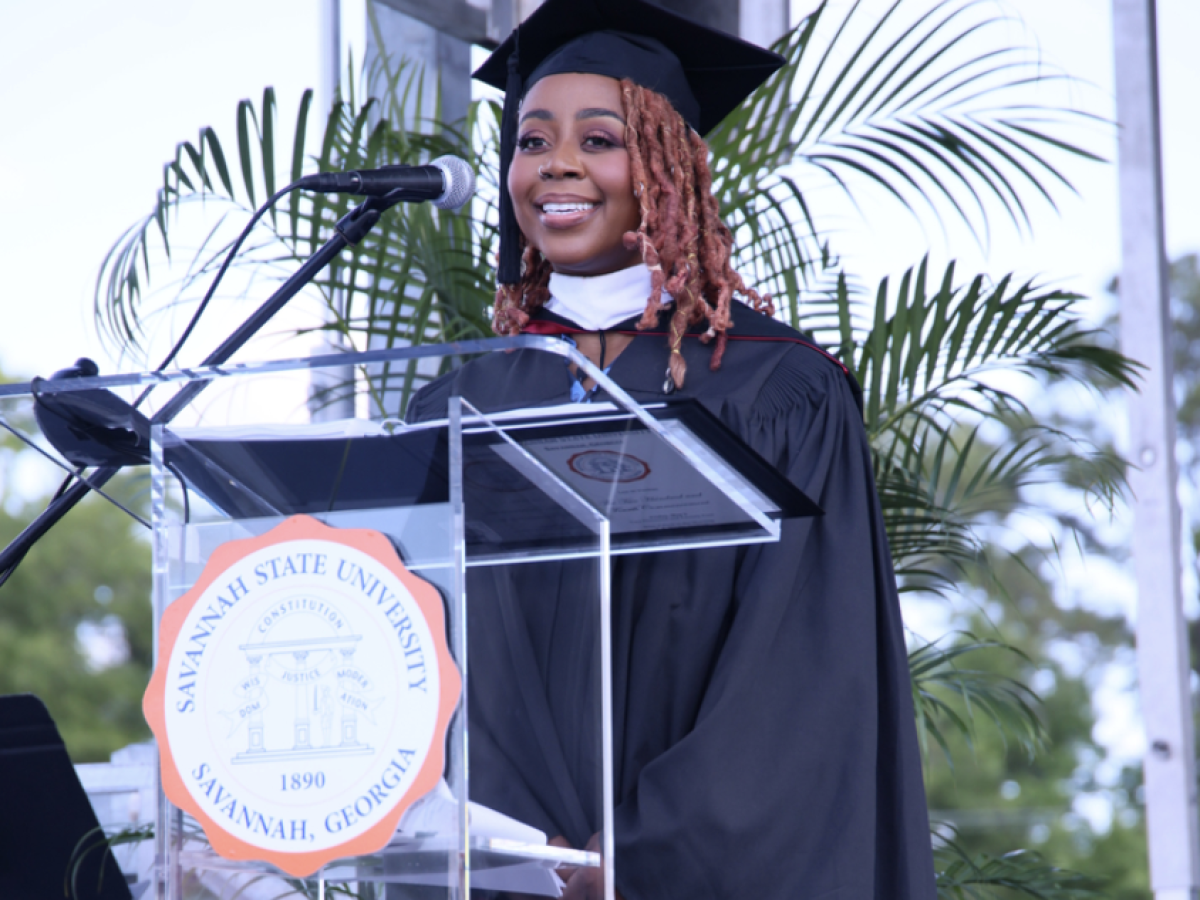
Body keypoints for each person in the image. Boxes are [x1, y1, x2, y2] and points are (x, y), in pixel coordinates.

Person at [405, 0, 937, 896]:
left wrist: (639, 854)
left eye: (599, 139)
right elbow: (426, 656)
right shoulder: (457, 402)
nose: (556, 165)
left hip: (690, 872)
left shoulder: (775, 389)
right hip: (494, 870)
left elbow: (800, 669)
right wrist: (505, 848)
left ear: (668, 166)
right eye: (531, 142)